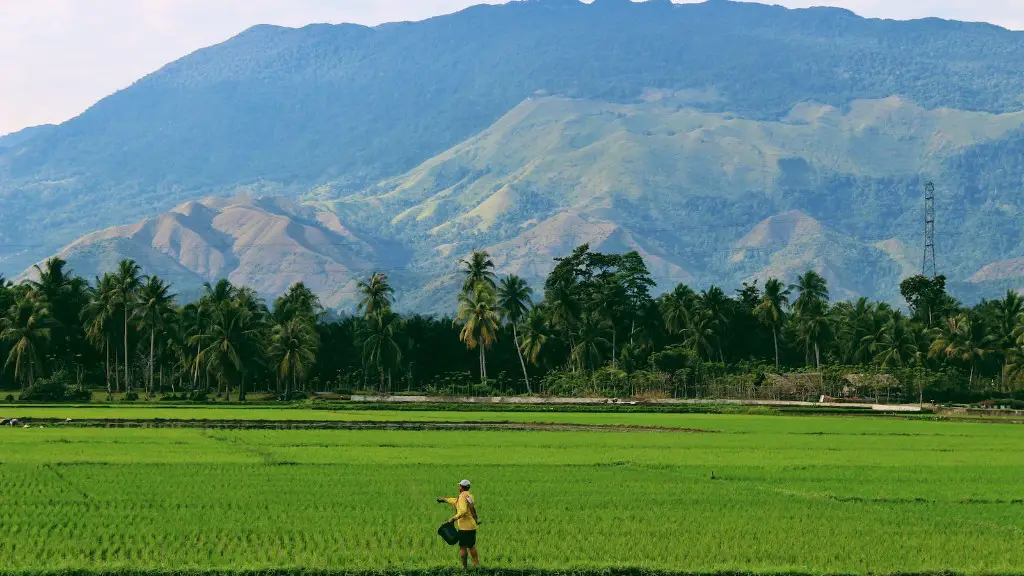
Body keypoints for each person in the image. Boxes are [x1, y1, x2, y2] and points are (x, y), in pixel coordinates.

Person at [437, 479, 479, 568]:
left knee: (463, 547)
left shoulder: (462, 497)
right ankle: (476, 566)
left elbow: (463, 510)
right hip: (472, 526)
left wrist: (453, 519)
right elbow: (457, 501)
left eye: (459, 486)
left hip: (464, 527)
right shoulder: (469, 496)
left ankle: (464, 568)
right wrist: (445, 500)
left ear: (461, 487)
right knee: (471, 546)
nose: (458, 487)